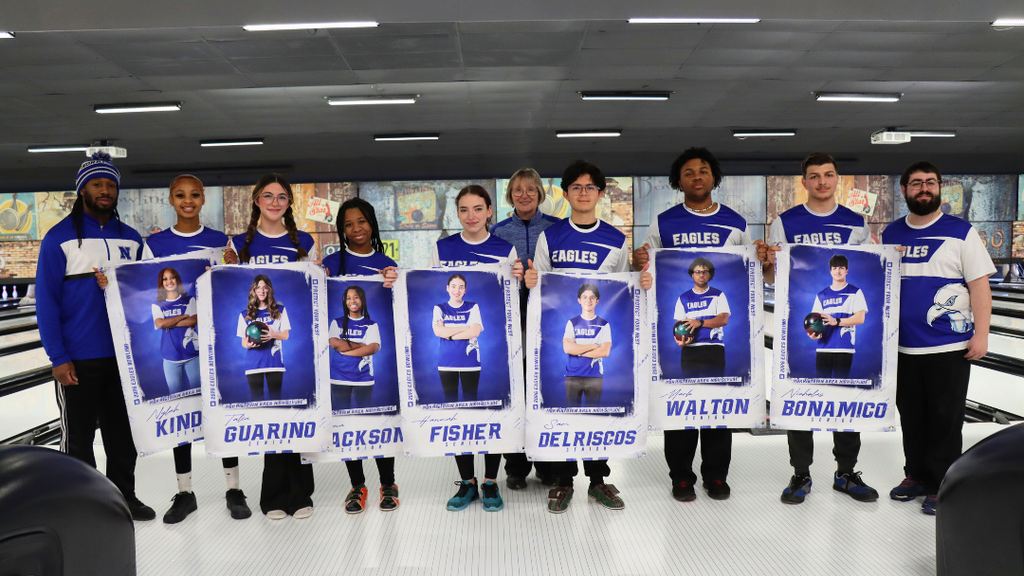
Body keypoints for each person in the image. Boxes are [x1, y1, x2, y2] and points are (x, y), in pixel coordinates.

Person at [35, 152, 154, 520]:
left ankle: (123, 498)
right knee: (79, 439)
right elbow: (46, 301)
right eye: (97, 184)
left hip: (123, 358)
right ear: (82, 190)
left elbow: (145, 295)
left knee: (122, 436)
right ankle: (83, 507)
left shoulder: (131, 239)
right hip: (79, 358)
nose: (105, 190)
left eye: (111, 185)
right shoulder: (58, 238)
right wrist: (58, 357)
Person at [755, 152, 878, 505]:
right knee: (800, 400)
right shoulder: (785, 222)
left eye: (828, 174)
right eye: (814, 176)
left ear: (837, 178)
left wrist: (889, 258)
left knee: (846, 401)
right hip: (804, 337)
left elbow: (870, 266)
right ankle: (801, 473)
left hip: (846, 342)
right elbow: (772, 278)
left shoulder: (856, 223)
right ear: (804, 182)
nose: (822, 181)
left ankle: (846, 472)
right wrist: (767, 263)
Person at [635, 147, 749, 503]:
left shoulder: (735, 222)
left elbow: (752, 271)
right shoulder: (663, 223)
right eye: (688, 172)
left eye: (703, 170)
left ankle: (716, 475)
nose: (696, 176)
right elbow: (645, 268)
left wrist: (763, 258)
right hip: (687, 347)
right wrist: (639, 262)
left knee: (717, 408)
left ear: (714, 177)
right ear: (678, 181)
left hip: (715, 346)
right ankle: (682, 476)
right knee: (681, 408)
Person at [882, 161, 994, 515]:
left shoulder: (961, 232)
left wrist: (982, 334)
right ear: (904, 190)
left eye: (930, 182)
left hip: (947, 346)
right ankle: (915, 475)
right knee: (912, 417)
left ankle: (941, 483)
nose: (924, 188)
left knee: (945, 419)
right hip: (903, 346)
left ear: (939, 188)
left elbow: (979, 285)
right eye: (916, 183)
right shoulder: (891, 233)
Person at [141, 174, 250, 524]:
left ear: (203, 199)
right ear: (170, 200)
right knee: (180, 416)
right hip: (174, 350)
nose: (187, 201)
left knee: (220, 411)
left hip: (212, 347)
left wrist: (231, 268)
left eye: (194, 195)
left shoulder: (220, 242)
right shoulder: (155, 244)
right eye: (180, 195)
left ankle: (234, 489)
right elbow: (141, 288)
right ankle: (185, 492)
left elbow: (231, 288)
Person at [524, 159, 629, 514]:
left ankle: (598, 481)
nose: (583, 193)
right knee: (565, 412)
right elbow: (540, 290)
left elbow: (621, 292)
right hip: (560, 338)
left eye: (590, 187)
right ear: (566, 194)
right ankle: (563, 481)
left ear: (600, 193)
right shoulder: (550, 236)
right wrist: (531, 281)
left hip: (599, 335)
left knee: (596, 414)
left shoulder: (616, 240)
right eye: (576, 187)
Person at [428, 185, 523, 513]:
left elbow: (508, 301)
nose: (471, 216)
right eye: (464, 209)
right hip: (448, 359)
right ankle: (467, 481)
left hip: (485, 355)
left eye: (478, 208)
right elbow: (431, 296)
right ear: (457, 213)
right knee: (458, 416)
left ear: (489, 211)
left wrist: (520, 276)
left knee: (486, 414)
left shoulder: (504, 249)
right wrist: (461, 331)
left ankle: (490, 481)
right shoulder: (443, 248)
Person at [231, 173, 317, 520]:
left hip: (282, 356)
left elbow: (314, 290)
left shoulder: (305, 242)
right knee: (268, 421)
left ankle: (301, 494)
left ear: (289, 203)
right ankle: (273, 496)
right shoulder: (239, 244)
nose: (275, 202)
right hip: (255, 358)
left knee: (290, 416)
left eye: (282, 197)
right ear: (256, 200)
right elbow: (226, 279)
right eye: (268, 196)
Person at [323, 197, 400, 514]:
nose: (356, 228)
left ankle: (388, 484)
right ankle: (357, 485)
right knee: (346, 426)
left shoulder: (387, 264)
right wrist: (355, 346)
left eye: (362, 221)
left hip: (368, 375)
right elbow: (333, 341)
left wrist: (395, 282)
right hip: (338, 375)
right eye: (348, 224)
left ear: (372, 224)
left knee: (378, 422)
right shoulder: (330, 265)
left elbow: (377, 340)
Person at [491, 169, 560, 490]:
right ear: (510, 195)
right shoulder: (497, 232)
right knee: (517, 395)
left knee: (543, 394)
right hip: (512, 327)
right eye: (518, 190)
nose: (524, 195)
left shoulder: (556, 229)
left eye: (531, 189)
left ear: (540, 194)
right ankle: (516, 466)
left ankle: (546, 464)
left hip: (548, 326)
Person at [810, 255, 868, 378]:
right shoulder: (821, 295)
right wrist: (813, 333)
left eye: (841, 268)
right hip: (823, 348)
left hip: (844, 349)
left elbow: (860, 318)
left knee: (840, 387)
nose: (838, 271)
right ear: (830, 271)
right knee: (821, 387)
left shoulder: (855, 292)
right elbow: (814, 321)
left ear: (847, 270)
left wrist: (836, 321)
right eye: (835, 268)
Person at [674, 257, 730, 378]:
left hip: (713, 347)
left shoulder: (718, 295)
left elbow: (723, 319)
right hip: (690, 350)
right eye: (698, 272)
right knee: (691, 388)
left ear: (710, 275)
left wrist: (699, 323)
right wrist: (680, 342)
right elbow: (679, 326)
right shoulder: (683, 298)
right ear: (692, 275)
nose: (701, 275)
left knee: (714, 387)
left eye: (705, 272)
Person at [237, 274, 290, 401]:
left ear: (269, 289)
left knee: (276, 400)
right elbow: (244, 343)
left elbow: (286, 335)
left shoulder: (279, 310)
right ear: (254, 290)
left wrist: (273, 335)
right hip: (253, 364)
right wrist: (249, 344)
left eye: (265, 287)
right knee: (257, 402)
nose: (262, 291)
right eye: (258, 288)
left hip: (274, 362)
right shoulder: (245, 314)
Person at [563, 283, 611, 405]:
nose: (588, 300)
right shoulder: (572, 323)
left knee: (592, 414)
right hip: (573, 375)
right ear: (579, 300)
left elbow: (604, 351)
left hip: (595, 376)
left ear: (597, 301)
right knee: (571, 414)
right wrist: (593, 346)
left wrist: (577, 350)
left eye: (592, 297)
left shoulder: (604, 325)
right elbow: (567, 348)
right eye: (584, 297)